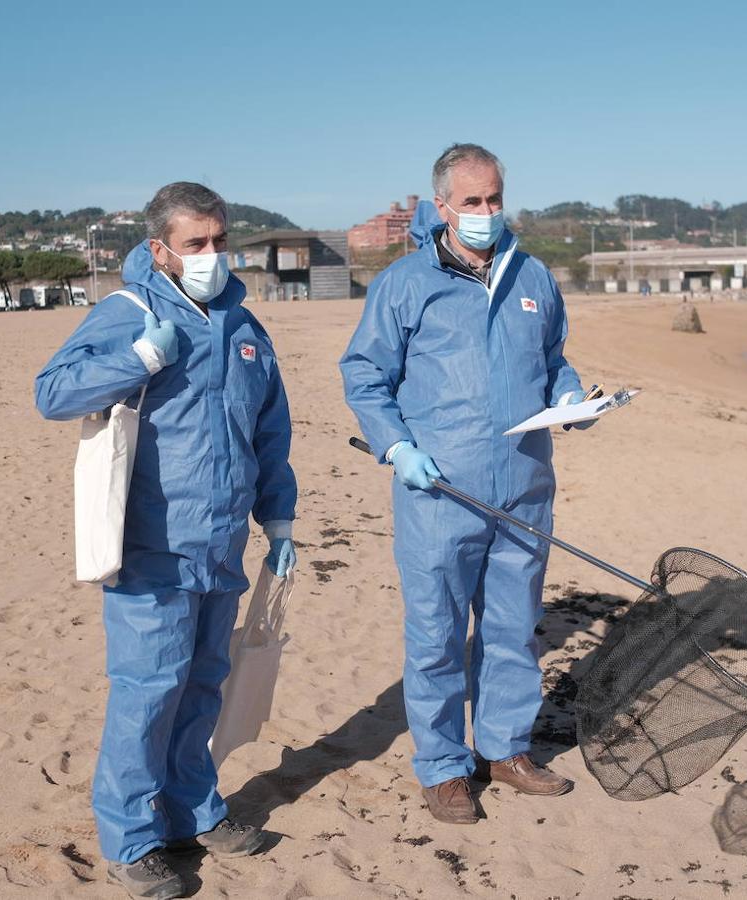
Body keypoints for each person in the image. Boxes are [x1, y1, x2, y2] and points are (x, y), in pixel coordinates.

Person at [35, 182, 297, 899]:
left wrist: (279, 516)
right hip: (151, 545)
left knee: (203, 685)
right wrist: (139, 359)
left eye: (219, 241)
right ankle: (130, 839)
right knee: (147, 696)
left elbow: (269, 431)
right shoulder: (128, 313)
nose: (212, 255)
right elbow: (53, 393)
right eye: (195, 244)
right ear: (160, 249)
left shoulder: (244, 327)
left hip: (221, 547)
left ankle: (191, 810)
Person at [340, 143, 595, 825]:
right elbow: (364, 376)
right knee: (437, 635)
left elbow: (552, 360)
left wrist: (572, 399)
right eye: (472, 202)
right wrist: (397, 448)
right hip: (439, 493)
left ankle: (506, 749)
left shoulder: (534, 276)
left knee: (513, 629)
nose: (486, 213)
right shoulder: (404, 283)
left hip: (523, 487)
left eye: (495, 199)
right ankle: (444, 767)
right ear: (443, 205)